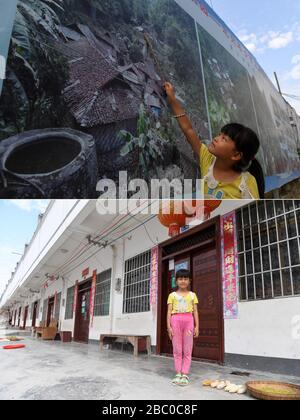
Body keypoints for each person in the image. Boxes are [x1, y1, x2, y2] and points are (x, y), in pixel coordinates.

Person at [164, 82, 265, 199]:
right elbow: (188, 130)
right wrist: (172, 100)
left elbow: (252, 213)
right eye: (219, 134)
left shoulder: (246, 184)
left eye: (224, 139)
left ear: (236, 154)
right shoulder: (208, 159)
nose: (216, 138)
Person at [167, 269, 199, 386]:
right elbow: (169, 311)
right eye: (180, 279)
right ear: (176, 281)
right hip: (175, 321)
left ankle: (185, 373)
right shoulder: (172, 295)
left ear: (189, 281)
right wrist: (168, 327)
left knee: (187, 348)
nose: (183, 281)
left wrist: (197, 326)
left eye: (185, 279)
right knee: (177, 348)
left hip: (189, 321)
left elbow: (195, 311)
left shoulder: (192, 295)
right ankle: (178, 373)